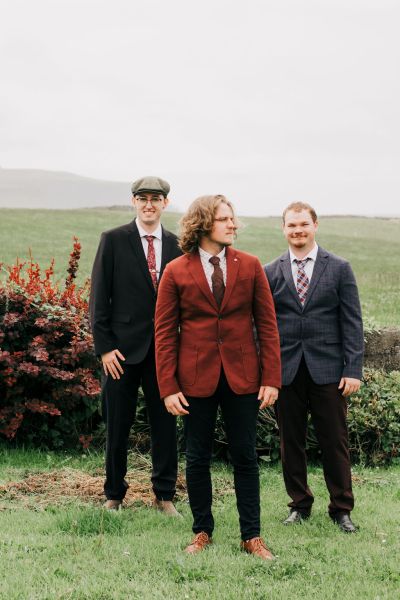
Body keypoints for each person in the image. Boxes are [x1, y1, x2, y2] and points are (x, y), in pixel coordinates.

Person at [155, 194, 281, 559]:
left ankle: (251, 536)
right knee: (197, 458)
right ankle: (202, 531)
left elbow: (268, 326)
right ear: (204, 223)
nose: (233, 224)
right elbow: (164, 333)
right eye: (225, 219)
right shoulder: (177, 270)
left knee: (245, 456)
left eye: (233, 218)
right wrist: (168, 387)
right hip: (195, 380)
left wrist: (271, 377)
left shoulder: (251, 265)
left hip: (244, 377)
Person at [264, 202, 363, 533]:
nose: (298, 231)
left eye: (303, 224)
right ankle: (299, 504)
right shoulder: (271, 271)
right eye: (291, 225)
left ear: (315, 225)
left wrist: (352, 369)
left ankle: (341, 508)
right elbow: (264, 326)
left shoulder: (339, 268)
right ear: (283, 229)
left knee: (334, 441)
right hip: (287, 370)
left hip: (329, 371)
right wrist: (267, 373)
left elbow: (351, 323)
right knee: (290, 442)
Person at [90, 176, 182, 514]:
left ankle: (165, 496)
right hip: (121, 353)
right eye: (142, 198)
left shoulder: (177, 244)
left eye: (155, 199)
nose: (148, 204)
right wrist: (104, 348)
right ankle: (114, 493)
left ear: (165, 204)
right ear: (133, 202)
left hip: (163, 354)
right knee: (117, 425)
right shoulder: (113, 240)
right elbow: (99, 297)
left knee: (165, 425)